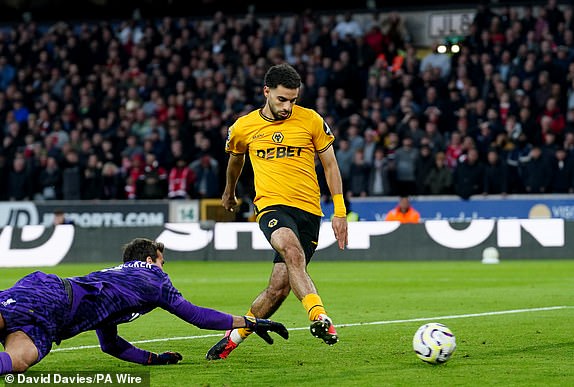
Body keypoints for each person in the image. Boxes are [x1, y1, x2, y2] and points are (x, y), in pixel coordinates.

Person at [206, 63, 348, 360]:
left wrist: (340, 211)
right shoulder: (244, 127)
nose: (288, 107)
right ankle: (319, 317)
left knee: (278, 289)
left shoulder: (310, 120)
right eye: (282, 99)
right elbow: (235, 160)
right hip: (271, 205)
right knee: (292, 251)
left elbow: (331, 165)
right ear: (267, 92)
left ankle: (233, 337)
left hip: (309, 211)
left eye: (293, 100)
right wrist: (229, 191)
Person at [0, 238, 288, 375]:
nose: (165, 268)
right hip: (52, 298)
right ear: (150, 260)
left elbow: (110, 345)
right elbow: (197, 316)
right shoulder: (152, 277)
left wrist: (154, 359)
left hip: (51, 316)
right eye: (162, 261)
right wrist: (250, 322)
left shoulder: (116, 285)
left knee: (20, 362)